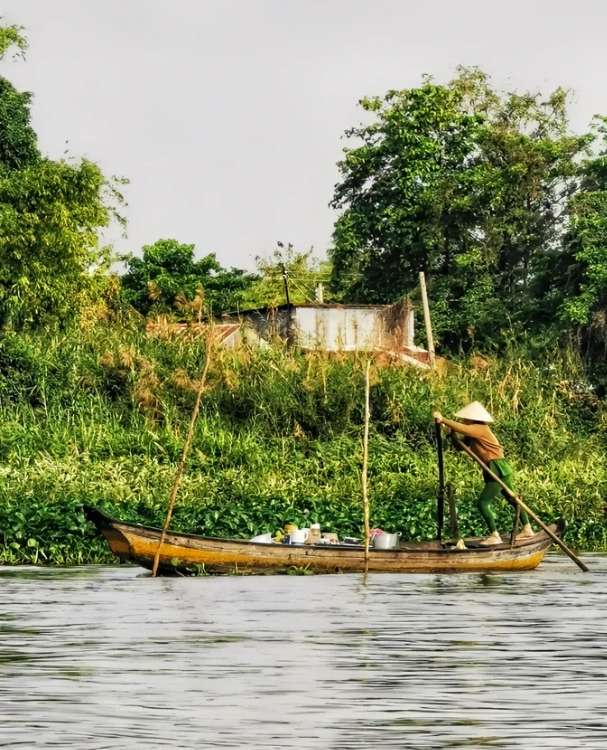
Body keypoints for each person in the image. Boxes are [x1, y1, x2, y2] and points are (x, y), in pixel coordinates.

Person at [432, 401, 534, 546]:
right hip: (498, 467)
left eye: (465, 418)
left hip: (497, 467)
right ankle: (527, 528)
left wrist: (444, 420)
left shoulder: (480, 428)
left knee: (482, 503)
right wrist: (451, 434)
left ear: (471, 419)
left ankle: (495, 535)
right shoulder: (473, 433)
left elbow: (462, 428)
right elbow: (460, 446)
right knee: (512, 499)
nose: (463, 420)